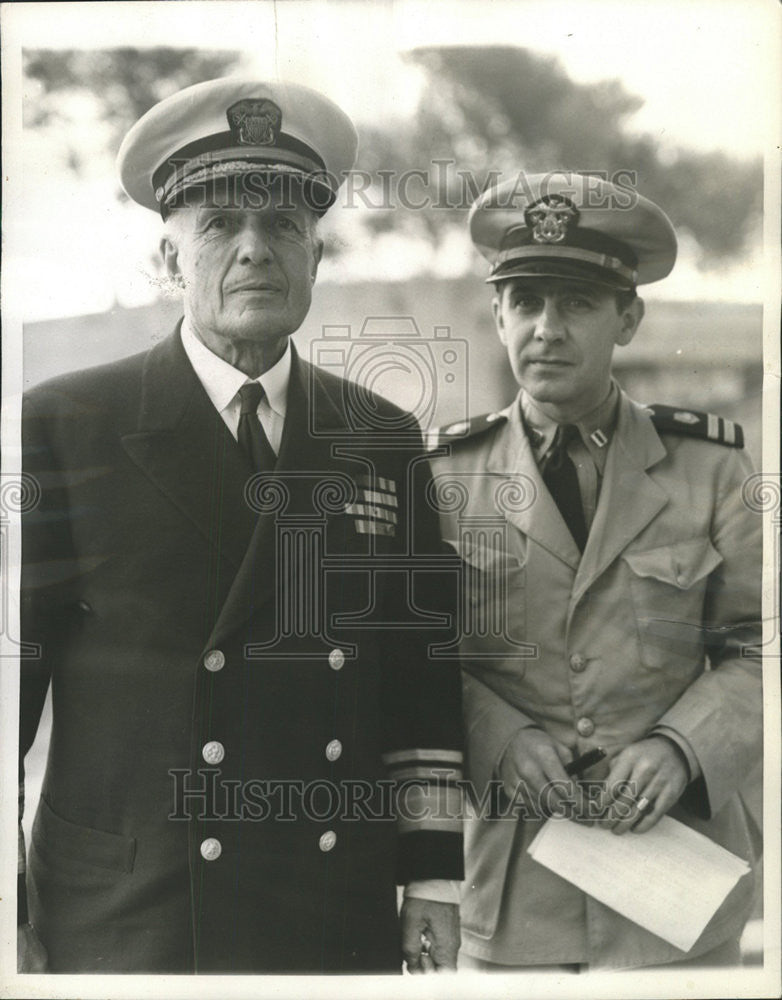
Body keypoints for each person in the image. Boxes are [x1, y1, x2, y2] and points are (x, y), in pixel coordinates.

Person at [18, 77, 463, 974]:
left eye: (283, 227)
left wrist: (433, 881)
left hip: (330, 904)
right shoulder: (65, 425)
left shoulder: (377, 435)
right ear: (169, 259)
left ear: (316, 254)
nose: (255, 250)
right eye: (221, 225)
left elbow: (419, 676)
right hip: (131, 910)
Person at [427, 173, 762, 971]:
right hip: (513, 893)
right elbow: (414, 657)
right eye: (528, 301)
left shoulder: (709, 468)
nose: (548, 329)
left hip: (677, 888)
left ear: (628, 319)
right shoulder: (441, 477)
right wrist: (496, 737)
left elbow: (760, 647)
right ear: (498, 313)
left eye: (576, 303)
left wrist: (685, 745)